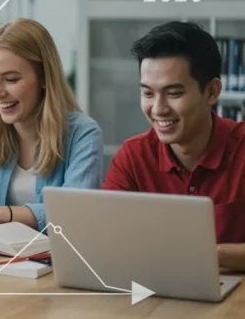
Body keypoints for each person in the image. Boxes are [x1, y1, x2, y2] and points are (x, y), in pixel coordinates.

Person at [103, 21, 245, 271]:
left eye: (174, 93)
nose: (158, 109)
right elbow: (106, 240)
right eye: (148, 93)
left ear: (211, 92)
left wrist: (210, 253)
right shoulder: (133, 156)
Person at [0, 18, 104, 233]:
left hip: (56, 261)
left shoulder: (82, 134)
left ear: (44, 78)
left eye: (11, 79)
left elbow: (73, 212)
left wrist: (1, 214)